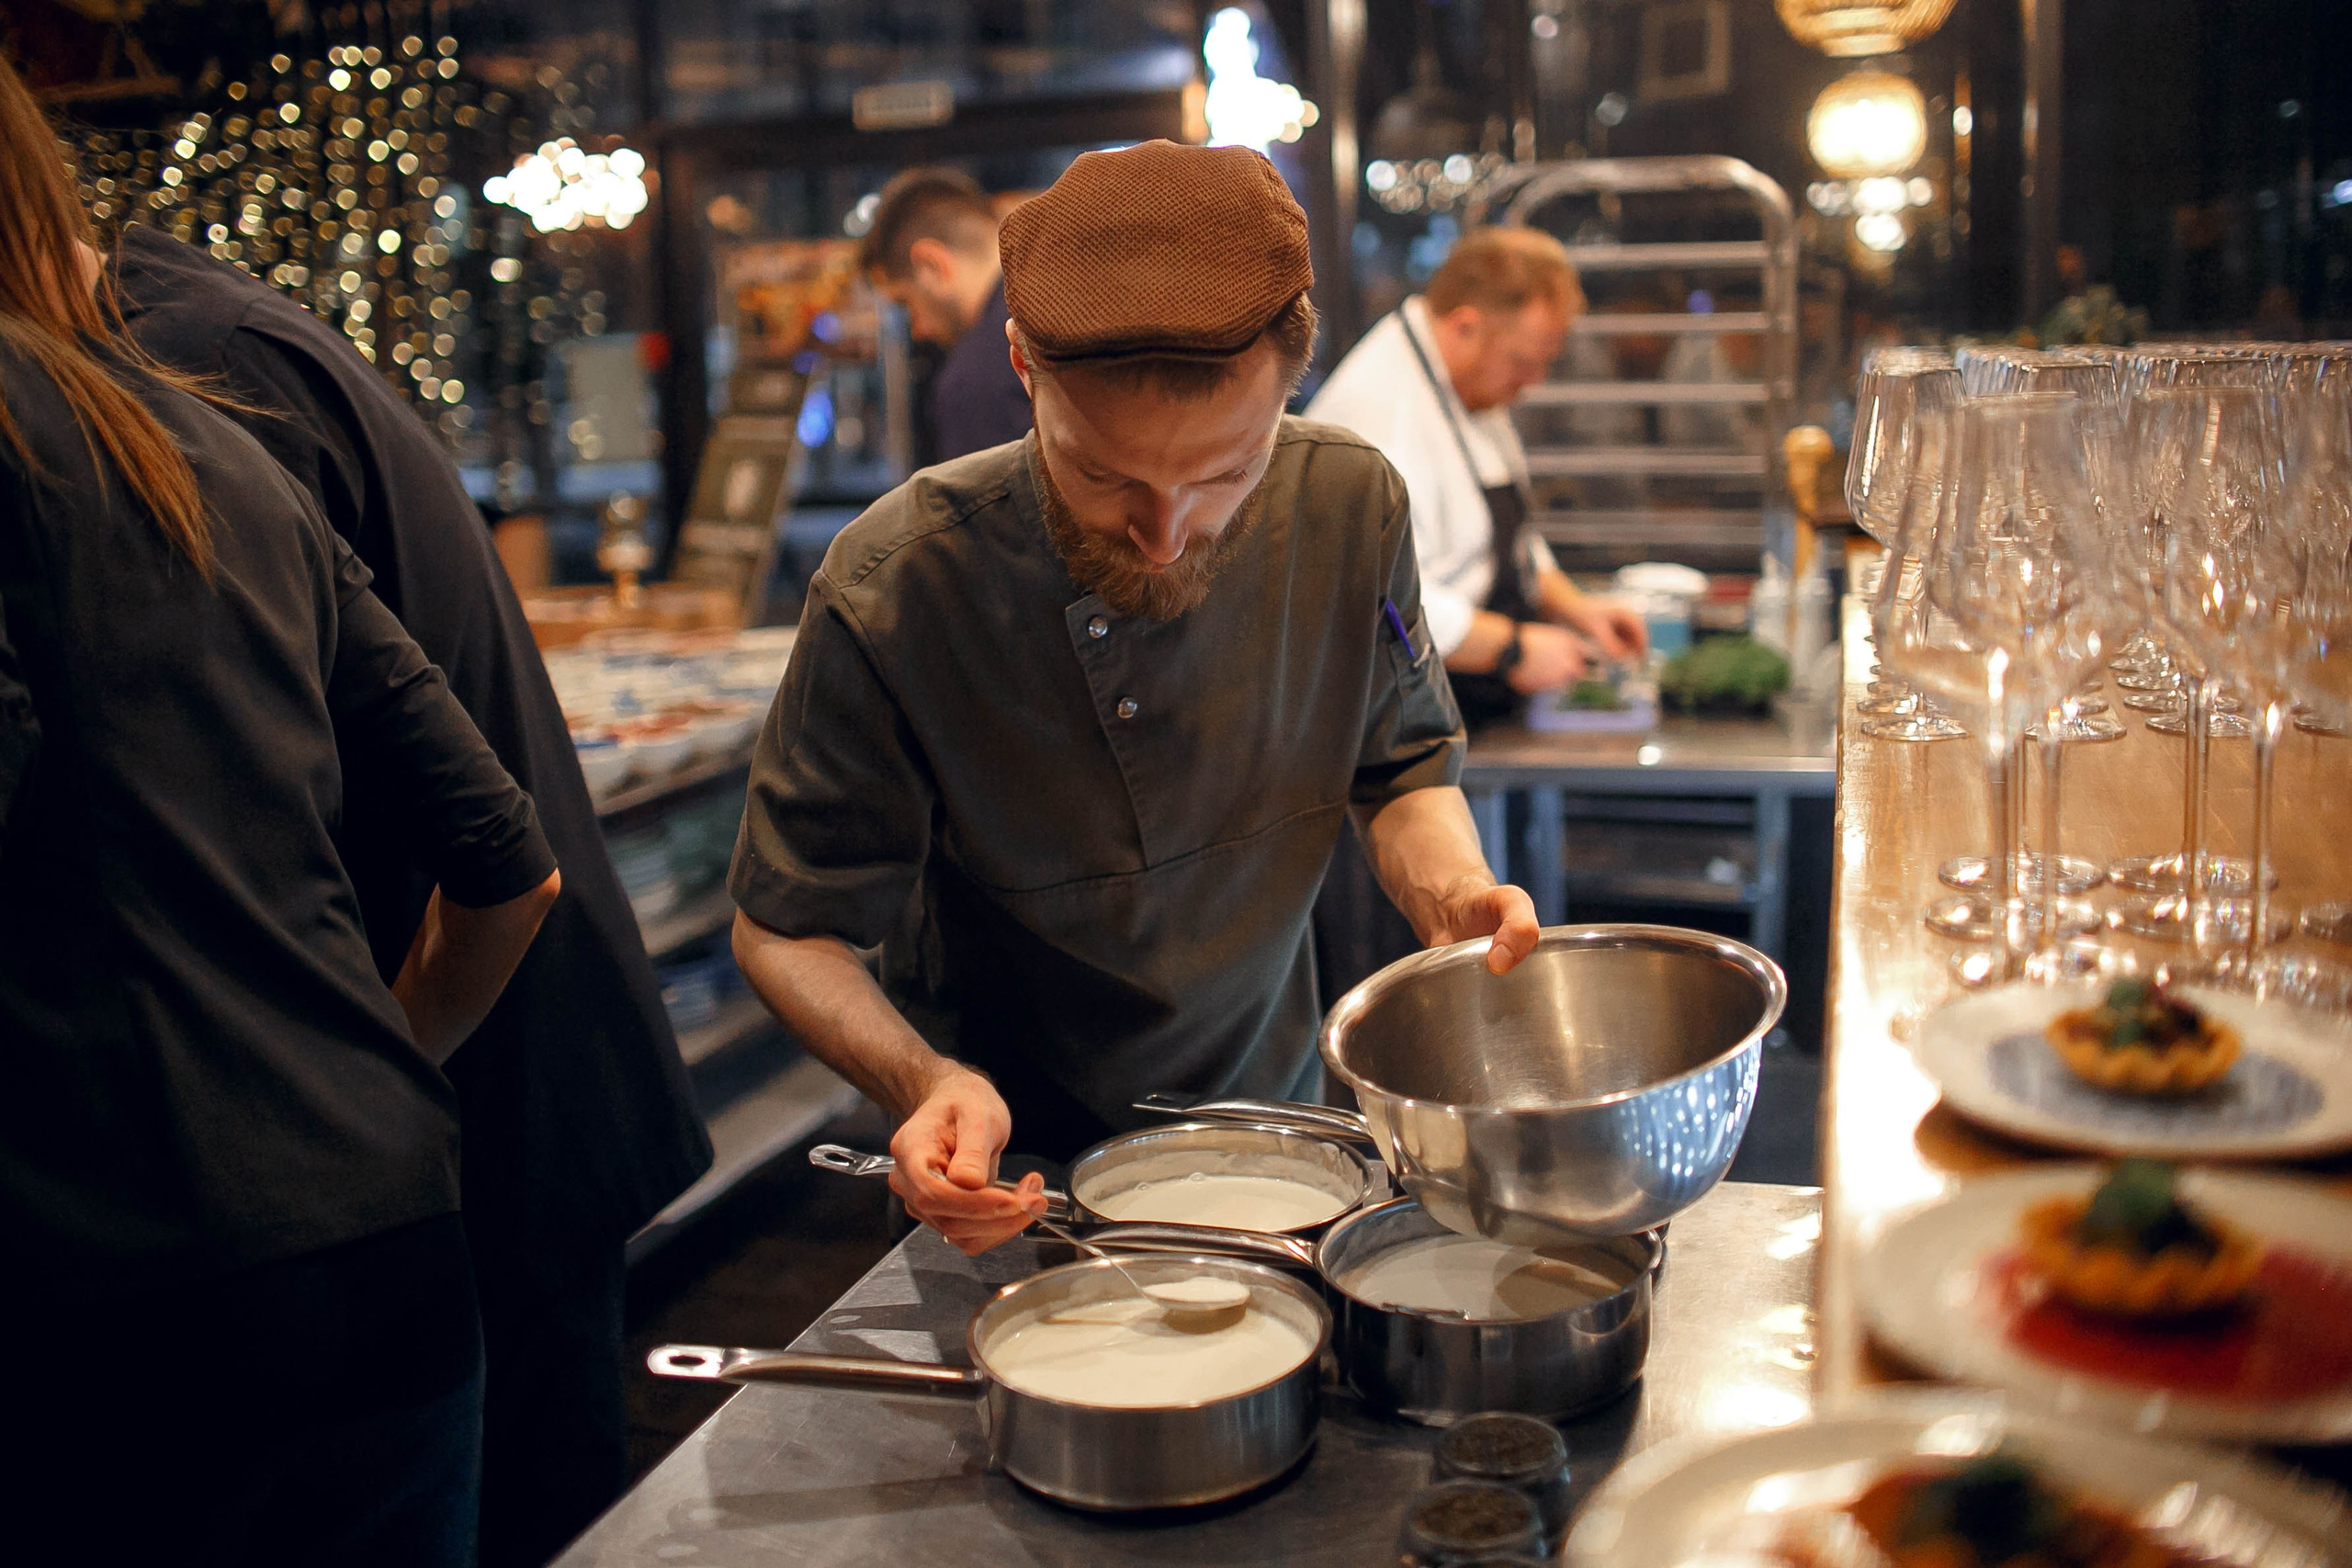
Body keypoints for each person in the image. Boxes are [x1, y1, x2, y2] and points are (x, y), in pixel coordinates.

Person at [729, 141, 1541, 1257]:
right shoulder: (899, 585)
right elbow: (785, 928)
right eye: (1104, 476)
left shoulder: (1351, 503)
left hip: (1287, 1144)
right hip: (1017, 1187)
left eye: (1221, 476)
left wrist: (1451, 891)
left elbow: (1398, 768)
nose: (1163, 538)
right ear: (1022, 367)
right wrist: (923, 1081)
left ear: (1289, 384)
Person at [0, 56, 559, 1564]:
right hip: (380, 1242)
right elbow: (509, 866)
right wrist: (375, 1060)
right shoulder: (217, 449)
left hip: (109, 1305)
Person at [108, 222, 713, 1568]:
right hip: (449, 1102)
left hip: (465, 1099)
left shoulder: (178, 374)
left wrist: (374, 1070)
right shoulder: (194, 330)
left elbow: (285, 793)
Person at [1308, 226, 1646, 724]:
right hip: (1391, 711)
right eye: (1521, 363)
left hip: (1462, 691)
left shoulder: (1469, 384)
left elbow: (1501, 540)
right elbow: (1379, 600)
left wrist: (1576, 607)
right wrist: (1514, 649)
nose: (1532, 384)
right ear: (1464, 325)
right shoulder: (1379, 416)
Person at [856, 165, 1032, 460]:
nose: (918, 330)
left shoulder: (975, 380)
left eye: (906, 304)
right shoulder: (1067, 297)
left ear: (932, 264)